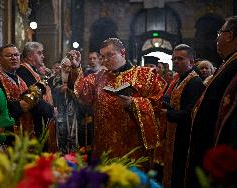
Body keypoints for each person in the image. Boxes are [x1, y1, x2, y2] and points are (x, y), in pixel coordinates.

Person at [68, 38, 166, 164]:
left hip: (132, 144)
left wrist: (133, 103)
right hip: (104, 144)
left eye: (110, 55)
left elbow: (157, 105)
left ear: (123, 53)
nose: (105, 60)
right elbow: (83, 93)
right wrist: (76, 67)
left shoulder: (146, 76)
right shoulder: (98, 77)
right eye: (103, 57)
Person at [186, 16, 237, 188]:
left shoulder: (234, 64)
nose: (217, 38)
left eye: (220, 32)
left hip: (218, 148)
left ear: (229, 35)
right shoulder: (228, 62)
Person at [162, 44, 205, 188]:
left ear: (191, 62)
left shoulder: (195, 82)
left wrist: (169, 113)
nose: (175, 61)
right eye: (173, 59)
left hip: (185, 136)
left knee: (180, 173)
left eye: (180, 59)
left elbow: (191, 111)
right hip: (174, 134)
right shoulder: (179, 79)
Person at [16, 42, 54, 138]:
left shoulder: (32, 71)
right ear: (30, 56)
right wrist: (51, 110)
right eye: (39, 53)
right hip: (29, 123)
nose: (43, 56)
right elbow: (31, 99)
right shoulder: (22, 71)